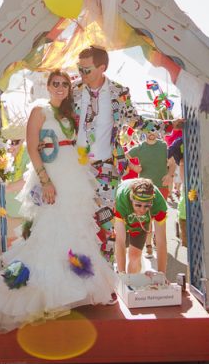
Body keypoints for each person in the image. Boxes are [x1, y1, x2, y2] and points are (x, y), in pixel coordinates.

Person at [0, 70, 117, 334]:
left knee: (75, 229)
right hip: (52, 176)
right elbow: (33, 148)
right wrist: (45, 181)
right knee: (48, 230)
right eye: (55, 83)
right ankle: (47, 295)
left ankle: (75, 292)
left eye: (64, 84)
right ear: (48, 86)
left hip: (73, 176)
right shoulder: (39, 110)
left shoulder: (69, 114)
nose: (60, 88)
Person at [74, 45, 179, 260]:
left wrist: (169, 126)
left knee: (107, 223)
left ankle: (105, 277)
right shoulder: (73, 90)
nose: (81, 74)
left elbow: (136, 121)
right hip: (75, 168)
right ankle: (79, 275)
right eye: (79, 68)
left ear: (101, 67)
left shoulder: (118, 92)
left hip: (107, 168)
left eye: (86, 69)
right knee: (77, 221)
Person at [126, 128, 170, 257]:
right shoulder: (140, 148)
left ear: (157, 132)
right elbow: (124, 156)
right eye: (148, 132)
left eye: (153, 131)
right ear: (144, 133)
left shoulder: (163, 146)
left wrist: (170, 174)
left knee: (161, 216)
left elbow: (171, 160)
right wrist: (134, 167)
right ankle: (149, 245)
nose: (151, 134)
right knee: (147, 217)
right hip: (145, 187)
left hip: (161, 186)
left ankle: (158, 240)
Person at [113, 177, 169, 275]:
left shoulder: (158, 203)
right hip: (123, 220)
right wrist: (122, 274)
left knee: (134, 256)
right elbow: (120, 241)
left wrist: (162, 275)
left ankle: (133, 285)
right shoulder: (122, 198)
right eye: (138, 205)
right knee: (117, 254)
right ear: (131, 199)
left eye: (147, 206)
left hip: (141, 225)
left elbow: (161, 242)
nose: (142, 210)